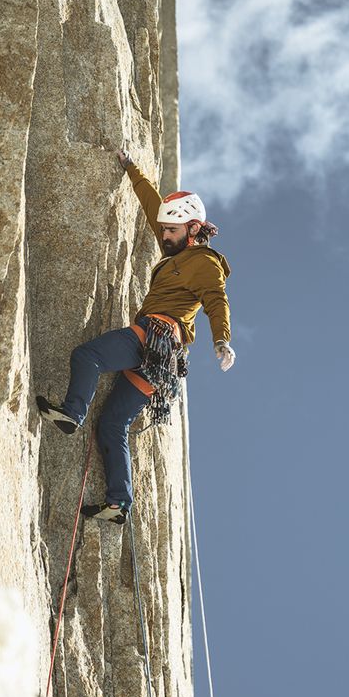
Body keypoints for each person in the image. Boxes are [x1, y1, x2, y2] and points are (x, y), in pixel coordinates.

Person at [36, 149, 235, 524]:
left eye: (171, 231)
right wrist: (132, 169)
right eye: (164, 230)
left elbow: (216, 300)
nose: (164, 235)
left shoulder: (205, 264)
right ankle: (118, 503)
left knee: (88, 356)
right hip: (162, 363)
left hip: (154, 337)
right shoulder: (176, 251)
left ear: (194, 229)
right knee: (112, 424)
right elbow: (152, 205)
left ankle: (72, 413)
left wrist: (221, 340)